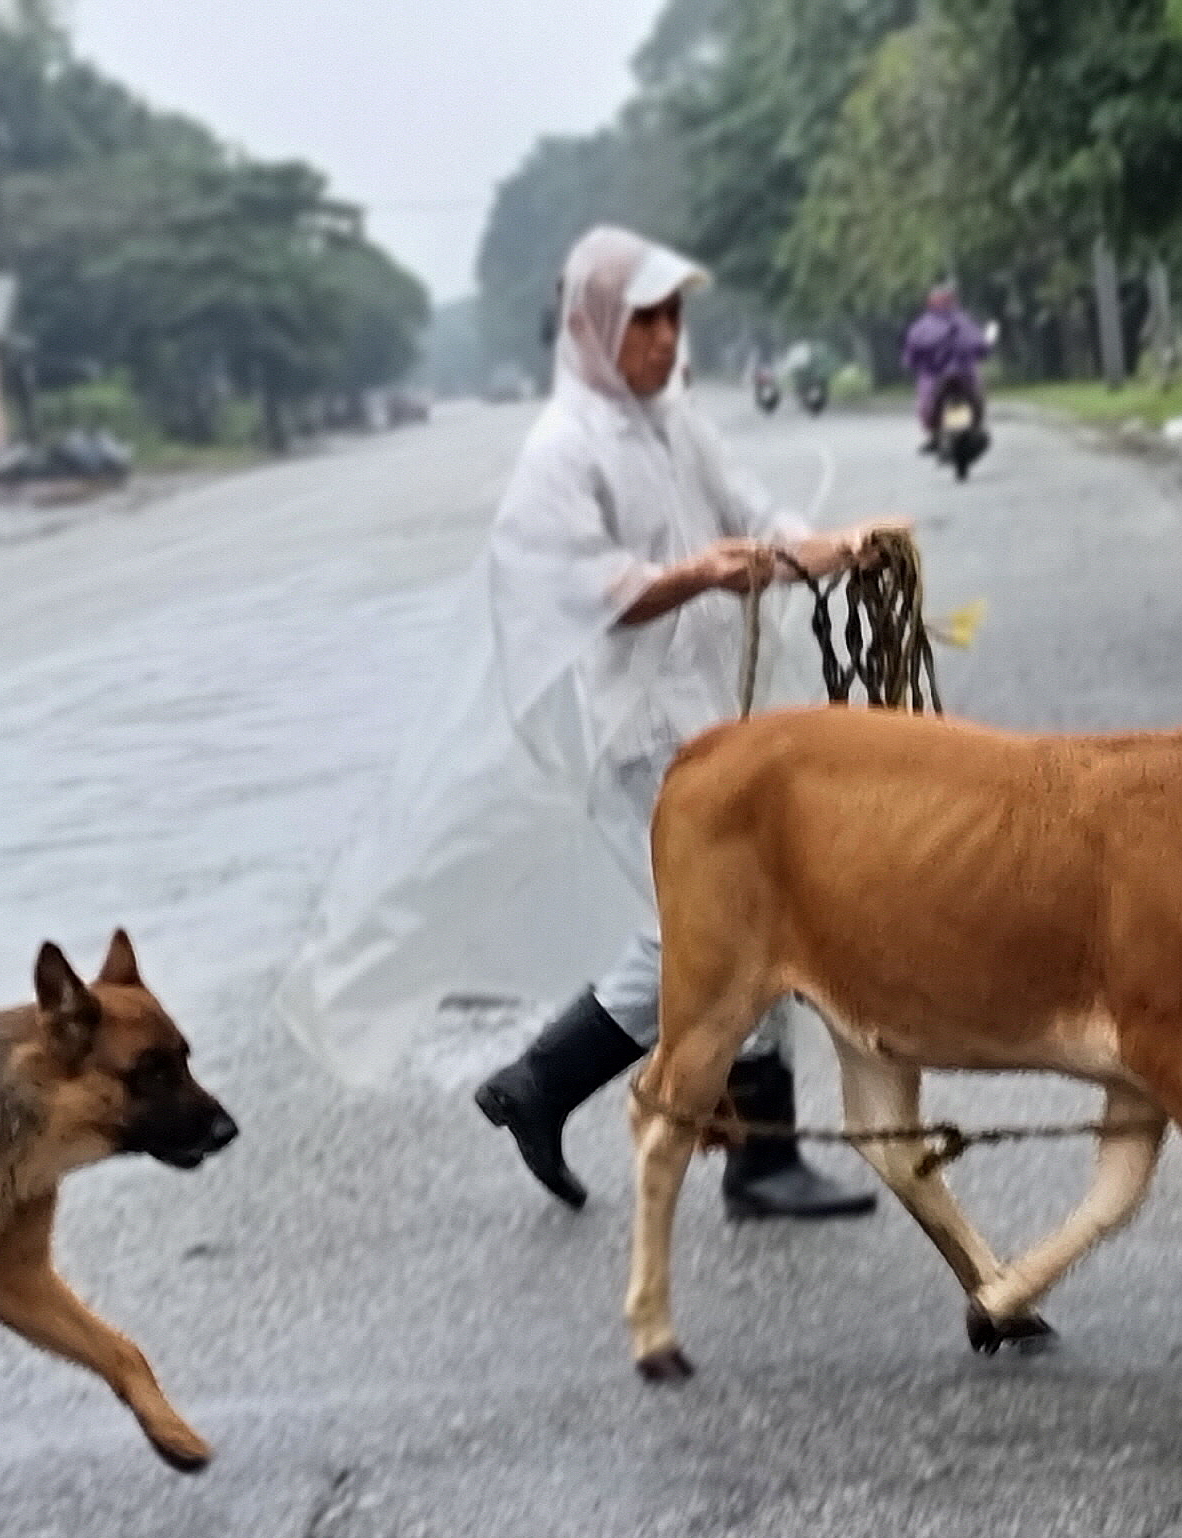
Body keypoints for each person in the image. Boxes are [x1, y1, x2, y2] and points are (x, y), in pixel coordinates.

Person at [276, 225, 887, 1220]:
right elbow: (574, 591)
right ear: (597, 328)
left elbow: (756, 515)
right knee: (730, 929)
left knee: (738, 926)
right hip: (638, 730)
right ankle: (721, 1143)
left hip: (710, 722)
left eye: (672, 318)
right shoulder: (562, 451)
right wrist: (689, 573)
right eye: (644, 320)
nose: (663, 339)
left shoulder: (676, 424)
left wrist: (834, 550)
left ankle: (563, 1092)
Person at [901, 284, 988, 452]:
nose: (943, 303)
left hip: (964, 374)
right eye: (939, 300)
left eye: (946, 300)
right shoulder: (922, 326)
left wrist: (982, 349)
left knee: (977, 395)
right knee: (927, 402)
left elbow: (979, 343)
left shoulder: (963, 322)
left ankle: (973, 428)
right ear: (931, 302)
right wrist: (912, 362)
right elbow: (912, 349)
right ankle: (935, 434)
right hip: (935, 375)